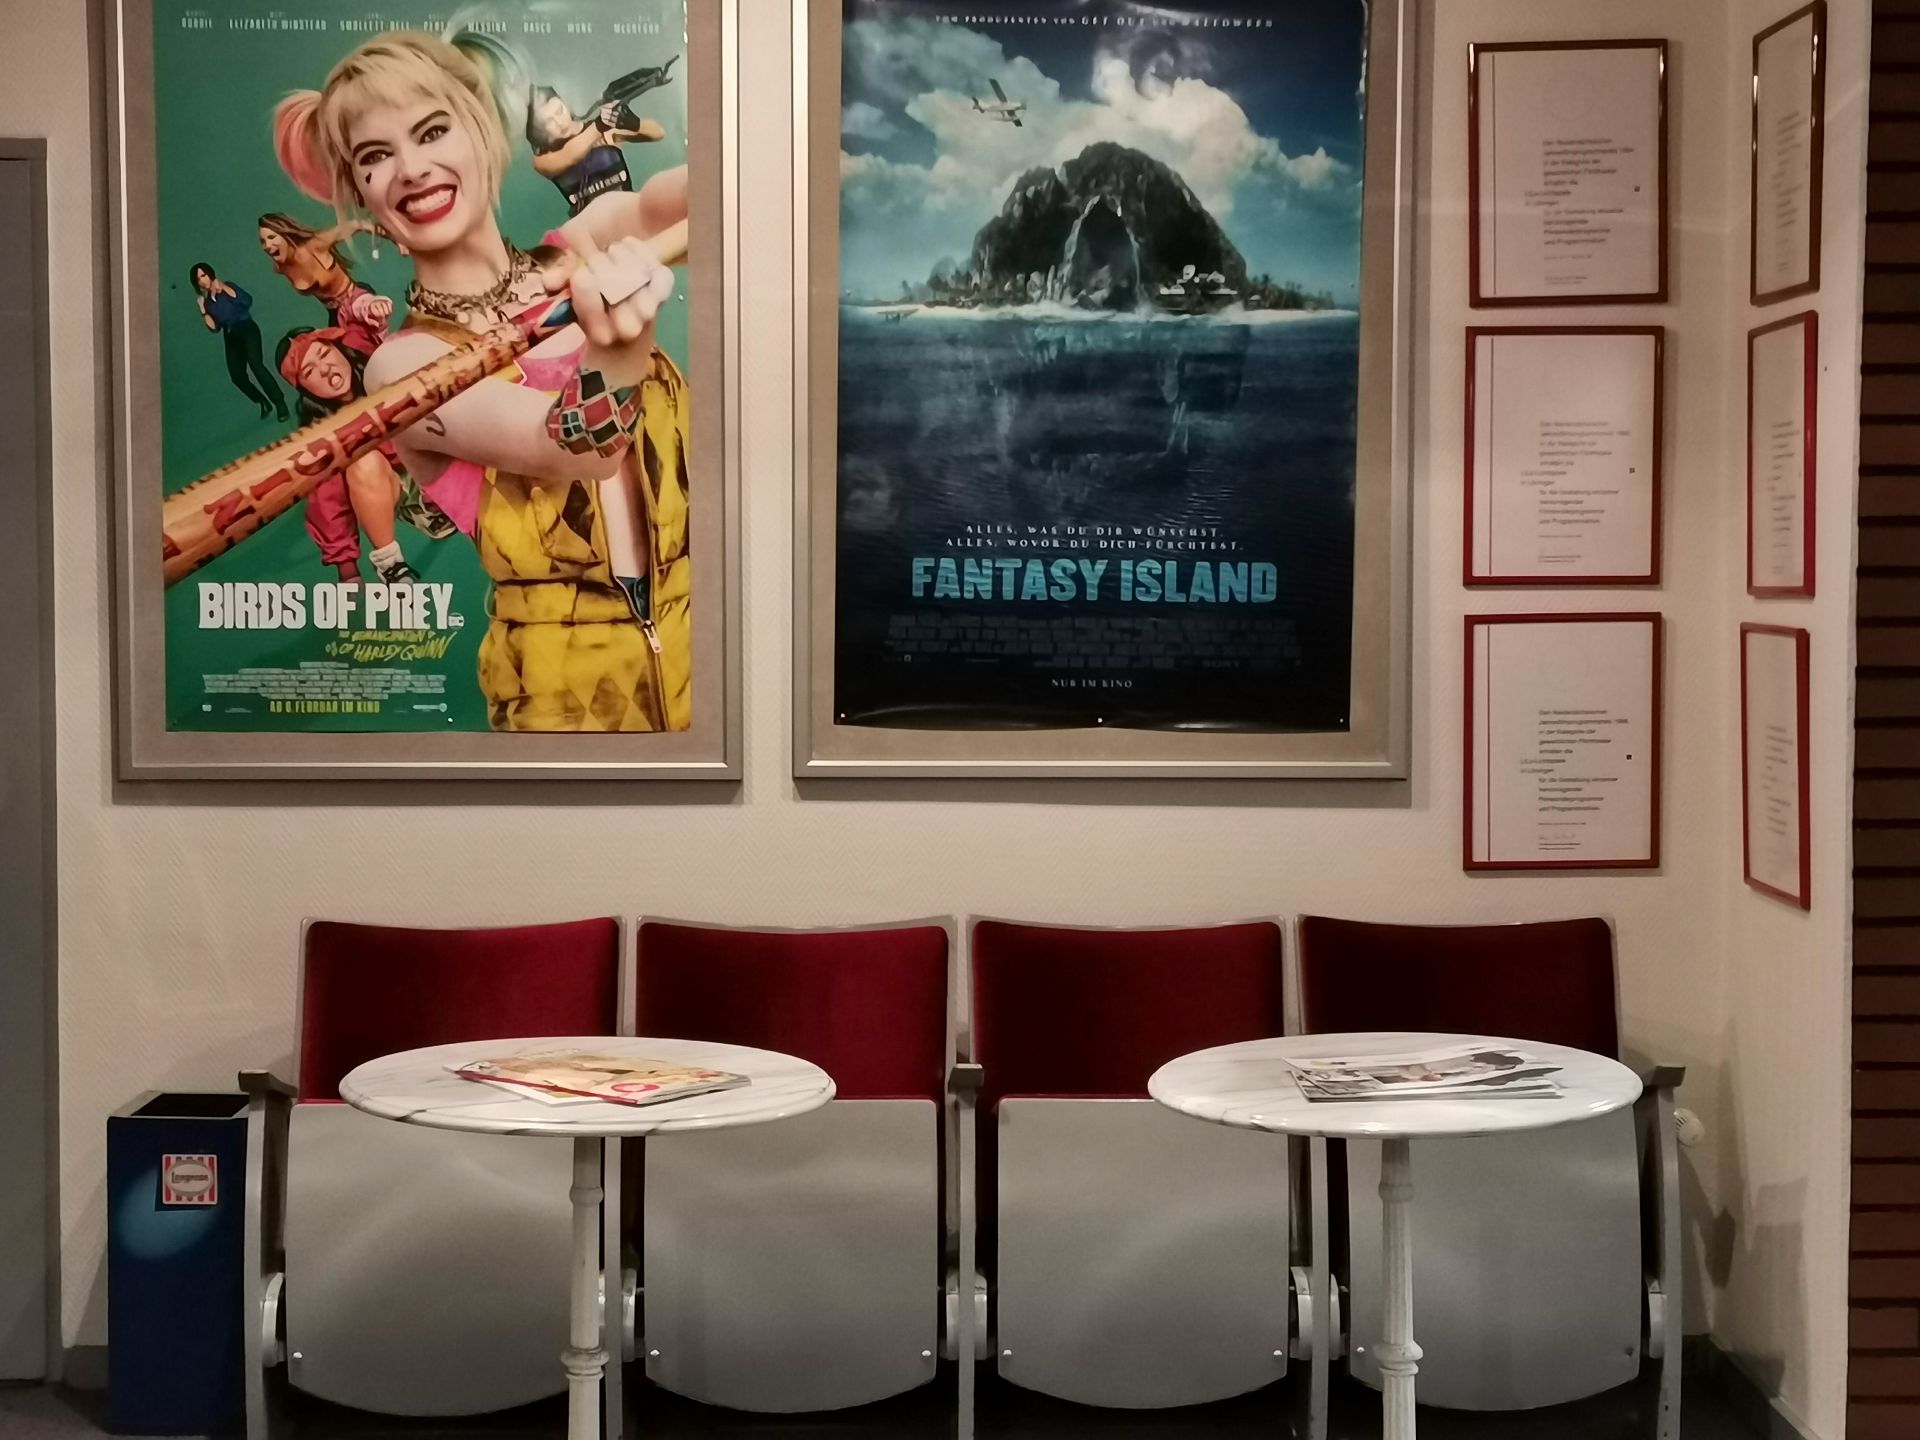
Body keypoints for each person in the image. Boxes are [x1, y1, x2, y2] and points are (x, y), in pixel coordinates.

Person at [272, 29, 692, 733]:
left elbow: (698, 200)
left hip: (701, 655)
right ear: (363, 198)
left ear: (481, 135)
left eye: (432, 131)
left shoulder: (586, 242)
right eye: (375, 157)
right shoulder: (405, 368)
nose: (411, 169)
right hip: (559, 698)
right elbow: (580, 447)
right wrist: (620, 343)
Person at [275, 325, 457, 585]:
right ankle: (392, 567)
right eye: (309, 371)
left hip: (450, 461)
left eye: (324, 354)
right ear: (304, 389)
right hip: (408, 490)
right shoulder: (323, 437)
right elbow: (327, 500)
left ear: (340, 349)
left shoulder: (378, 365)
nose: (325, 369)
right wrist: (347, 567)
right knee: (364, 463)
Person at [525, 65, 672, 217]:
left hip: (630, 215)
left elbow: (658, 133)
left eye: (559, 111)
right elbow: (570, 156)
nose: (560, 123)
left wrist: (635, 124)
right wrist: (599, 126)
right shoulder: (543, 158)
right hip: (589, 227)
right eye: (548, 122)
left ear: (565, 105)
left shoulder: (606, 128)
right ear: (538, 130)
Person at [257, 211, 395, 354]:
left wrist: (396, 238)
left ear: (285, 233)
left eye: (272, 237)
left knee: (362, 341)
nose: (267, 245)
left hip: (356, 299)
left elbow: (355, 225)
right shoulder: (280, 267)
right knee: (340, 354)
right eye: (262, 241)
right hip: (335, 314)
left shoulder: (314, 246)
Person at [190, 262, 288, 421]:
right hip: (230, 336)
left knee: (256, 365)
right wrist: (202, 309)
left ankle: (280, 403)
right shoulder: (208, 303)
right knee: (237, 376)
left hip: (246, 329)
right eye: (198, 279)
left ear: (210, 274)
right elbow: (214, 328)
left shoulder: (228, 286)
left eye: (203, 275)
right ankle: (262, 402)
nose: (202, 280)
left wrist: (223, 287)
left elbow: (246, 301)